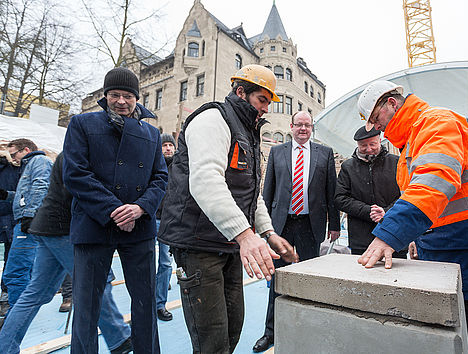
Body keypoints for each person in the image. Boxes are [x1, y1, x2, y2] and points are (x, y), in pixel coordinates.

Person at [356, 80, 468, 353]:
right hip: (462, 251)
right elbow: (426, 198)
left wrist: (388, 236)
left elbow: (434, 183)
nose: (377, 128)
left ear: (391, 103)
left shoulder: (438, 123)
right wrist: (416, 237)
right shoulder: (413, 142)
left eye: (377, 119)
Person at [158, 64, 298, 354]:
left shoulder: (247, 132)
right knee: (212, 342)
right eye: (262, 100)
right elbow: (206, 181)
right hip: (198, 246)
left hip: (228, 244)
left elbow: (249, 191)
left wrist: (268, 232)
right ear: (240, 92)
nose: (266, 109)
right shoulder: (213, 119)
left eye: (269, 103)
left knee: (232, 330)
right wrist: (246, 236)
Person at [63, 67, 168, 353]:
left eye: (128, 96)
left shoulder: (152, 134)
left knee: (145, 304)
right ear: (105, 96)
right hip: (93, 226)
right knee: (86, 307)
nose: (121, 101)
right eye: (115, 95)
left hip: (140, 226)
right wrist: (116, 210)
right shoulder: (82, 124)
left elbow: (160, 178)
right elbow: (75, 174)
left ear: (137, 97)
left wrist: (140, 208)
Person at [0, 152, 132, 354]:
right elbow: (83, 192)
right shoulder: (83, 151)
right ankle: (119, 338)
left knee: (37, 293)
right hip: (64, 229)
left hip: (48, 226)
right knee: (98, 282)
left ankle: (5, 346)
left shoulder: (71, 151)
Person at [253, 110, 341, 352]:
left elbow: (330, 193)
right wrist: (265, 228)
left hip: (310, 226)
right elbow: (267, 190)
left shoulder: (324, 153)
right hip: (281, 226)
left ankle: (307, 329)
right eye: (299, 125)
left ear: (312, 128)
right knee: (277, 280)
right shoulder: (277, 152)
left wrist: (334, 224)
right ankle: (270, 332)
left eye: (307, 125)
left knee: (309, 279)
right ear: (291, 126)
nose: (303, 129)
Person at [334, 126, 406, 258]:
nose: (368, 149)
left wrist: (386, 211)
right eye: (363, 146)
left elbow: (405, 195)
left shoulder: (396, 163)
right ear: (357, 145)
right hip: (361, 238)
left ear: (380, 141)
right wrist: (369, 211)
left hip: (393, 234)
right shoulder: (348, 167)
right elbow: (340, 198)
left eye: (372, 144)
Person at [0, 139, 52, 310]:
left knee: (16, 271)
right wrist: (6, 195)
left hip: (29, 222)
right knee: (22, 269)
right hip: (27, 220)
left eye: (14, 154)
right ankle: (20, 309)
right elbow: (26, 195)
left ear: (26, 149)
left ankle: (17, 311)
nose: (13, 159)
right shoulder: (29, 166)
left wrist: (30, 215)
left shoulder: (39, 161)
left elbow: (41, 186)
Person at [155, 133, 176, 321]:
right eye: (164, 145)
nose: (168, 148)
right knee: (143, 262)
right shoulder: (152, 165)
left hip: (168, 221)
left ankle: (159, 304)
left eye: (170, 145)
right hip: (149, 219)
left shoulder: (179, 168)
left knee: (165, 263)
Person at [0, 151, 21, 320]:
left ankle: (6, 299)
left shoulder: (14, 168)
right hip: (9, 217)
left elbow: (21, 195)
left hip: (9, 218)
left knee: (12, 259)